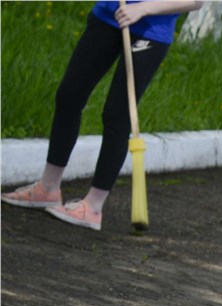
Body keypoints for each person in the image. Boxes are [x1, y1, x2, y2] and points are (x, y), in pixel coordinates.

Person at [0, 0, 203, 231]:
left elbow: (195, 1)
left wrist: (142, 8)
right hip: (108, 16)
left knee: (117, 114)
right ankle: (47, 188)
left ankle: (93, 207)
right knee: (69, 96)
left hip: (149, 30)